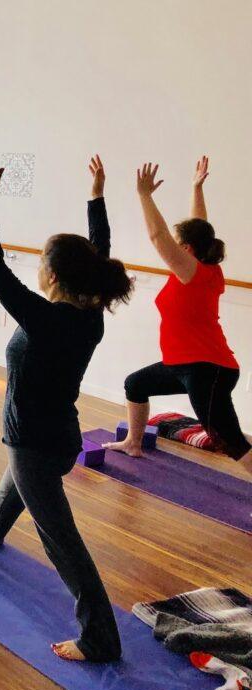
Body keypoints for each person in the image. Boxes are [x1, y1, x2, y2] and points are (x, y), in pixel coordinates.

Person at [0, 154, 134, 663]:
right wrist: (96, 197)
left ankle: (99, 639)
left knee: (61, 543)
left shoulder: (47, 319)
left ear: (54, 275)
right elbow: (99, 251)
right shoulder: (89, 316)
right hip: (56, 438)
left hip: (34, 444)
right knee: (7, 496)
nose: (38, 269)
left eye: (43, 263)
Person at [105, 158, 251, 475]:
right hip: (185, 364)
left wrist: (144, 195)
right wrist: (196, 188)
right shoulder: (198, 267)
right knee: (135, 384)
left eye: (179, 242)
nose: (173, 245)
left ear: (186, 248)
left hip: (206, 368)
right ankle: (133, 442)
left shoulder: (192, 272)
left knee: (229, 442)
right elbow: (200, 224)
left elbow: (158, 237)